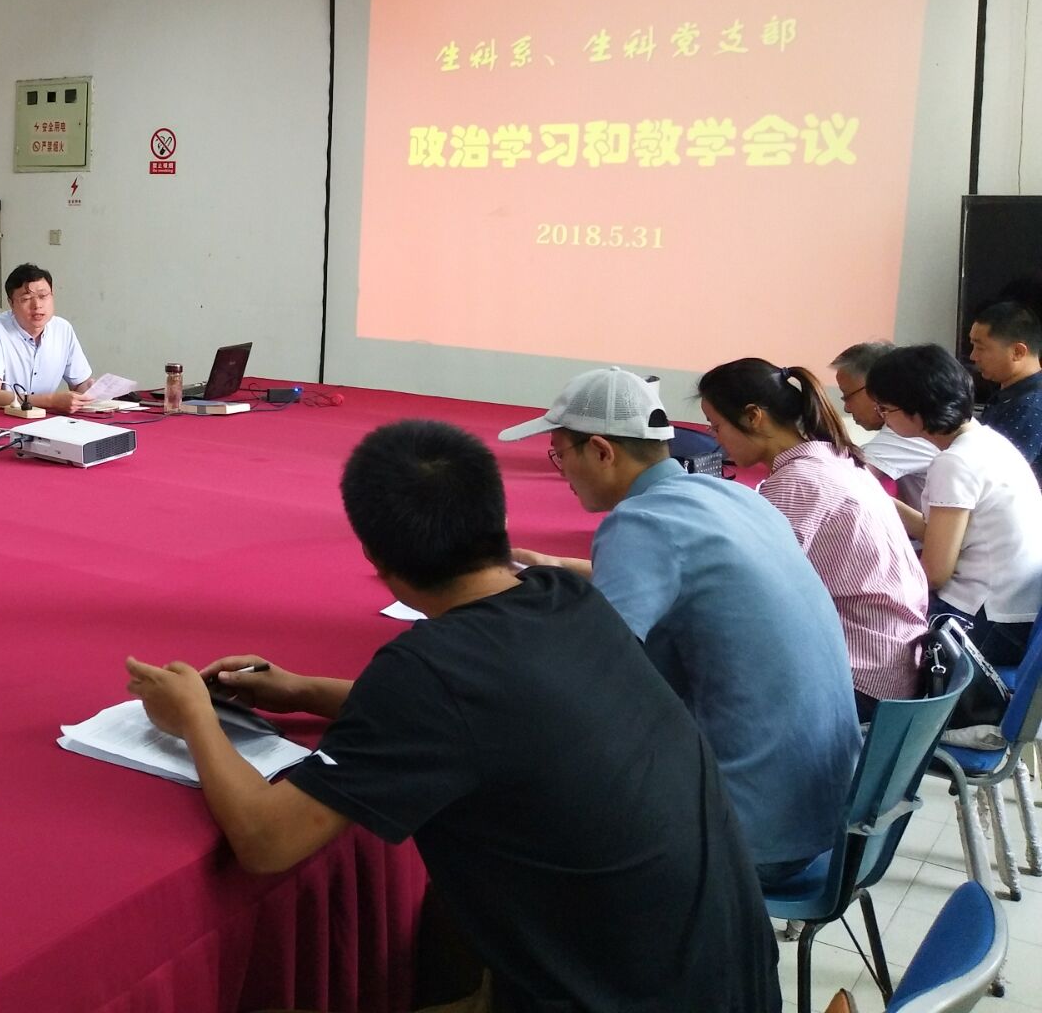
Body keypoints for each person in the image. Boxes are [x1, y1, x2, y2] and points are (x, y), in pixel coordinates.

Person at [124, 420, 779, 1013]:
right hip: (727, 977)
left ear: (376, 559)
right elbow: (471, 720)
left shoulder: (431, 670)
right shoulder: (564, 597)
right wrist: (300, 690)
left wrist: (195, 718)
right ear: (497, 518)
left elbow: (267, 842)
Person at [502, 367, 859, 884]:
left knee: (517, 816)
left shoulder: (641, 523)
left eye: (560, 454)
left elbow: (587, 680)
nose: (562, 472)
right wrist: (554, 573)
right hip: (824, 812)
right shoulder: (736, 498)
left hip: (750, 836)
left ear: (601, 451)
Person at [697, 358, 928, 717]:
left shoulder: (796, 482)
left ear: (753, 416)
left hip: (859, 678)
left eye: (716, 426)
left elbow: (750, 594)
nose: (716, 438)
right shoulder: (839, 460)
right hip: (893, 661)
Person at [868, 343, 1042, 664]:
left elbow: (935, 574)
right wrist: (879, 499)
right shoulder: (986, 441)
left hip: (989, 620)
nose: (883, 418)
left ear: (916, 408)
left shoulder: (956, 461)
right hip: (1017, 614)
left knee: (870, 623)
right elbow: (939, 533)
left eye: (885, 408)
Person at [0, 264, 97, 413]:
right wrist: (52, 401)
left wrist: (92, 390)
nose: (37, 305)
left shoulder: (63, 329)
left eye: (43, 296)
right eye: (26, 299)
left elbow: (79, 385)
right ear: (11, 303)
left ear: (52, 296)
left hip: (41, 420)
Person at [830, 340, 937, 507]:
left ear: (876, 386)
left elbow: (841, 481)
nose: (846, 408)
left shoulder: (911, 430)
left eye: (847, 396)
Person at [970, 300, 1042, 484]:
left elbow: (996, 477)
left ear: (1018, 351)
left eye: (981, 348)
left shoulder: (1029, 407)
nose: (973, 356)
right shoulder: (1009, 393)